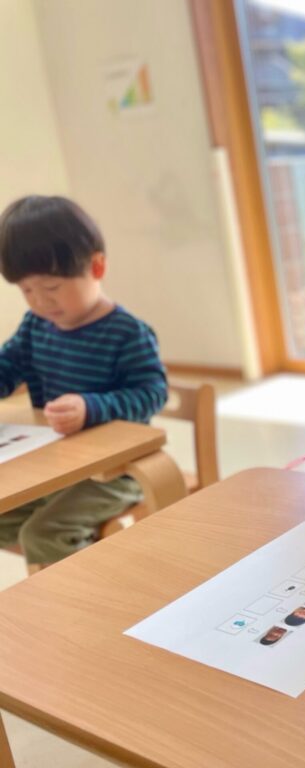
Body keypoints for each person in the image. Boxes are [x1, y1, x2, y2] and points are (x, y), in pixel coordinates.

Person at [0, 196, 168, 571]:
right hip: (58, 466)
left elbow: (152, 394)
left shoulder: (127, 332)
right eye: (27, 291)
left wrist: (91, 407)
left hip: (118, 471)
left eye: (51, 287)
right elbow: (7, 367)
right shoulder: (35, 326)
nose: (40, 301)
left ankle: (85, 592)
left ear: (96, 266)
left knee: (43, 534)